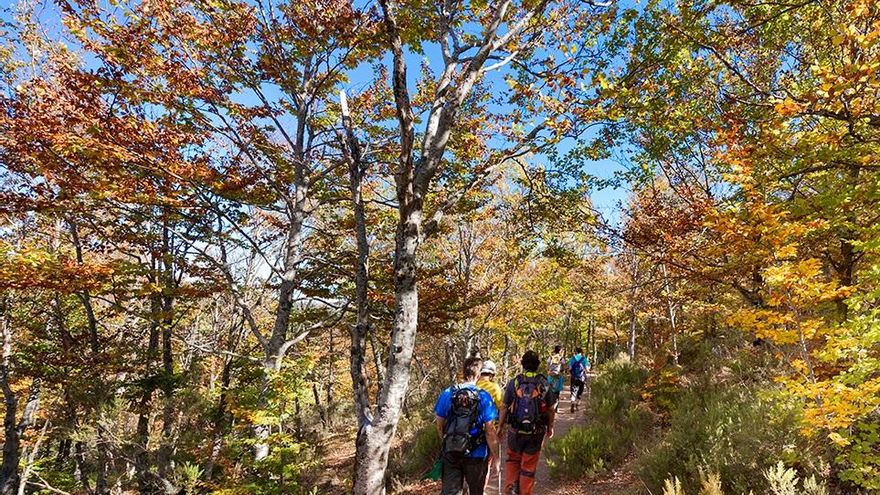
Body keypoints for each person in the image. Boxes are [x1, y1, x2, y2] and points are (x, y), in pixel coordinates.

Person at [434, 357, 501, 495]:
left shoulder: (447, 393)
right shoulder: (484, 396)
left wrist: (448, 443)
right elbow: (490, 431)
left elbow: (439, 426)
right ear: (478, 375)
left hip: (452, 453)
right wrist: (496, 457)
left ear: (463, 372)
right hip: (477, 454)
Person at [499, 351, 557, 495]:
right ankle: (525, 492)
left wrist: (500, 427)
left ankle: (510, 489)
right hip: (535, 432)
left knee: (512, 461)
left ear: (522, 364)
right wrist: (550, 427)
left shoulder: (515, 382)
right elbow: (550, 409)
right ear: (538, 365)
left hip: (515, 431)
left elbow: (504, 406)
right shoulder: (544, 383)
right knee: (528, 466)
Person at [568, 347, 590, 413]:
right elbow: (586, 369)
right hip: (581, 378)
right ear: (581, 352)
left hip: (574, 377)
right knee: (580, 391)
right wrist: (588, 369)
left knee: (573, 390)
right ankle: (577, 404)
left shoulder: (572, 359)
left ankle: (572, 402)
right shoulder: (584, 359)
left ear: (575, 352)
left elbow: (569, 368)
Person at [546, 345, 565, 411]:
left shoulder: (551, 357)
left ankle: (551, 407)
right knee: (557, 392)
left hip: (550, 376)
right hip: (558, 376)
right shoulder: (561, 358)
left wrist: (549, 371)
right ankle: (556, 408)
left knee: (550, 392)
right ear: (559, 351)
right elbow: (563, 367)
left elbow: (547, 366)